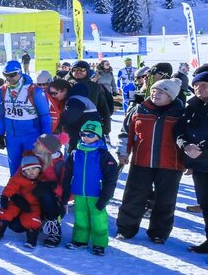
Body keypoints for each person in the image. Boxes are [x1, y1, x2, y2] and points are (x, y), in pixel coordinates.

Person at [117, 78, 185, 244]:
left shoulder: (180, 113)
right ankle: (125, 229)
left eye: (161, 92)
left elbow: (188, 137)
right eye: (154, 90)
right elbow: (126, 132)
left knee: (165, 200)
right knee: (133, 196)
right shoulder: (140, 109)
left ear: (171, 96)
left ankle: (159, 233)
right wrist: (123, 152)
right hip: (141, 162)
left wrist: (190, 163)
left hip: (171, 165)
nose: (156, 94)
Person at [63, 122, 119, 256]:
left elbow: (111, 178)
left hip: (96, 194)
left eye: (90, 135)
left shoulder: (103, 155)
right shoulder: (75, 153)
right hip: (79, 193)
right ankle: (80, 240)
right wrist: (66, 193)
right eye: (83, 134)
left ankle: (99, 243)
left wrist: (105, 197)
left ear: (98, 137)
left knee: (98, 220)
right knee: (80, 217)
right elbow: (67, 174)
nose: (85, 137)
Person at [0, 60, 51, 176]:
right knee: (14, 168)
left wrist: (46, 138)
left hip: (32, 136)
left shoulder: (34, 90)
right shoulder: (2, 90)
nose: (9, 78)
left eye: (12, 75)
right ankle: (15, 188)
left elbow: (45, 117)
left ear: (20, 72)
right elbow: (0, 115)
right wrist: (0, 134)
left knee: (33, 168)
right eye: (5, 75)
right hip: (12, 137)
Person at [176, 68, 208, 253]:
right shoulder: (192, 106)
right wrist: (185, 145)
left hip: (201, 157)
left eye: (204, 85)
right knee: (205, 203)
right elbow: (179, 129)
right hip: (200, 166)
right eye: (196, 85)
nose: (199, 88)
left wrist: (201, 148)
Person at [0, 153, 44, 249]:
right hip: (17, 201)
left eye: (34, 169)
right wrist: (5, 196)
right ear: (23, 172)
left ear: (39, 169)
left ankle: (31, 240)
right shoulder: (18, 178)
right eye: (28, 170)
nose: (31, 172)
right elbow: (10, 187)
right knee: (6, 212)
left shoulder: (41, 180)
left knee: (32, 219)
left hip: (33, 205)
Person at [70, 60, 114, 137]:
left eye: (82, 69)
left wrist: (106, 128)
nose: (78, 71)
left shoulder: (95, 87)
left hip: (90, 126)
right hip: (71, 126)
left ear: (87, 71)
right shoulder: (67, 86)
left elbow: (104, 108)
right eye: (75, 69)